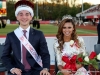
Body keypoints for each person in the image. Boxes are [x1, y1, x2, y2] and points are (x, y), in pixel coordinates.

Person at [1, 1, 50, 75]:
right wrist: (12, 68)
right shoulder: (11, 36)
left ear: (31, 17)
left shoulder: (39, 34)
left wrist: (45, 68)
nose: (24, 17)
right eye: (21, 14)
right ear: (17, 17)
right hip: (17, 71)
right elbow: (5, 56)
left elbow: (45, 54)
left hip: (36, 71)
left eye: (27, 14)